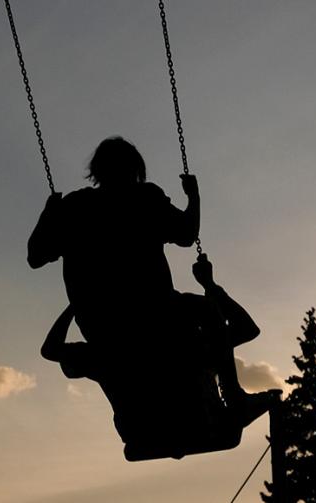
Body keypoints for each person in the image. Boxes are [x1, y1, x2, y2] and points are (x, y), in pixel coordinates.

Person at [41, 253, 277, 451]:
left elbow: (50, 350)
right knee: (209, 316)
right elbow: (247, 329)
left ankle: (236, 401)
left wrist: (75, 305)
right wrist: (210, 286)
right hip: (200, 424)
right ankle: (236, 400)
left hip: (144, 432)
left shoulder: (108, 351)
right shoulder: (195, 345)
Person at [27, 137, 199, 349]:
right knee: (209, 312)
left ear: (97, 169)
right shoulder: (146, 199)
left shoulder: (75, 206)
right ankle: (229, 381)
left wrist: (48, 215)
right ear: (135, 168)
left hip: (99, 323)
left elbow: (35, 257)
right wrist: (193, 196)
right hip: (155, 313)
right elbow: (187, 234)